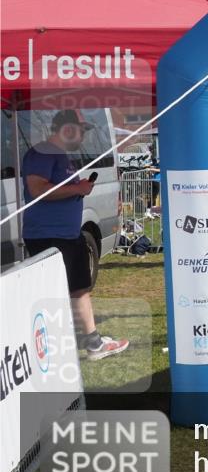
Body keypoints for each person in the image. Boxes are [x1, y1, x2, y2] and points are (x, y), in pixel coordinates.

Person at [21, 110, 129, 361]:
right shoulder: (42, 153)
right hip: (49, 236)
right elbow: (37, 189)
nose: (84, 136)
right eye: (82, 130)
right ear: (67, 129)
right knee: (59, 292)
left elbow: (58, 188)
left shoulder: (60, 155)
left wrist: (78, 189)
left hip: (67, 235)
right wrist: (77, 188)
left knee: (78, 288)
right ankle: (54, 348)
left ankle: (90, 342)